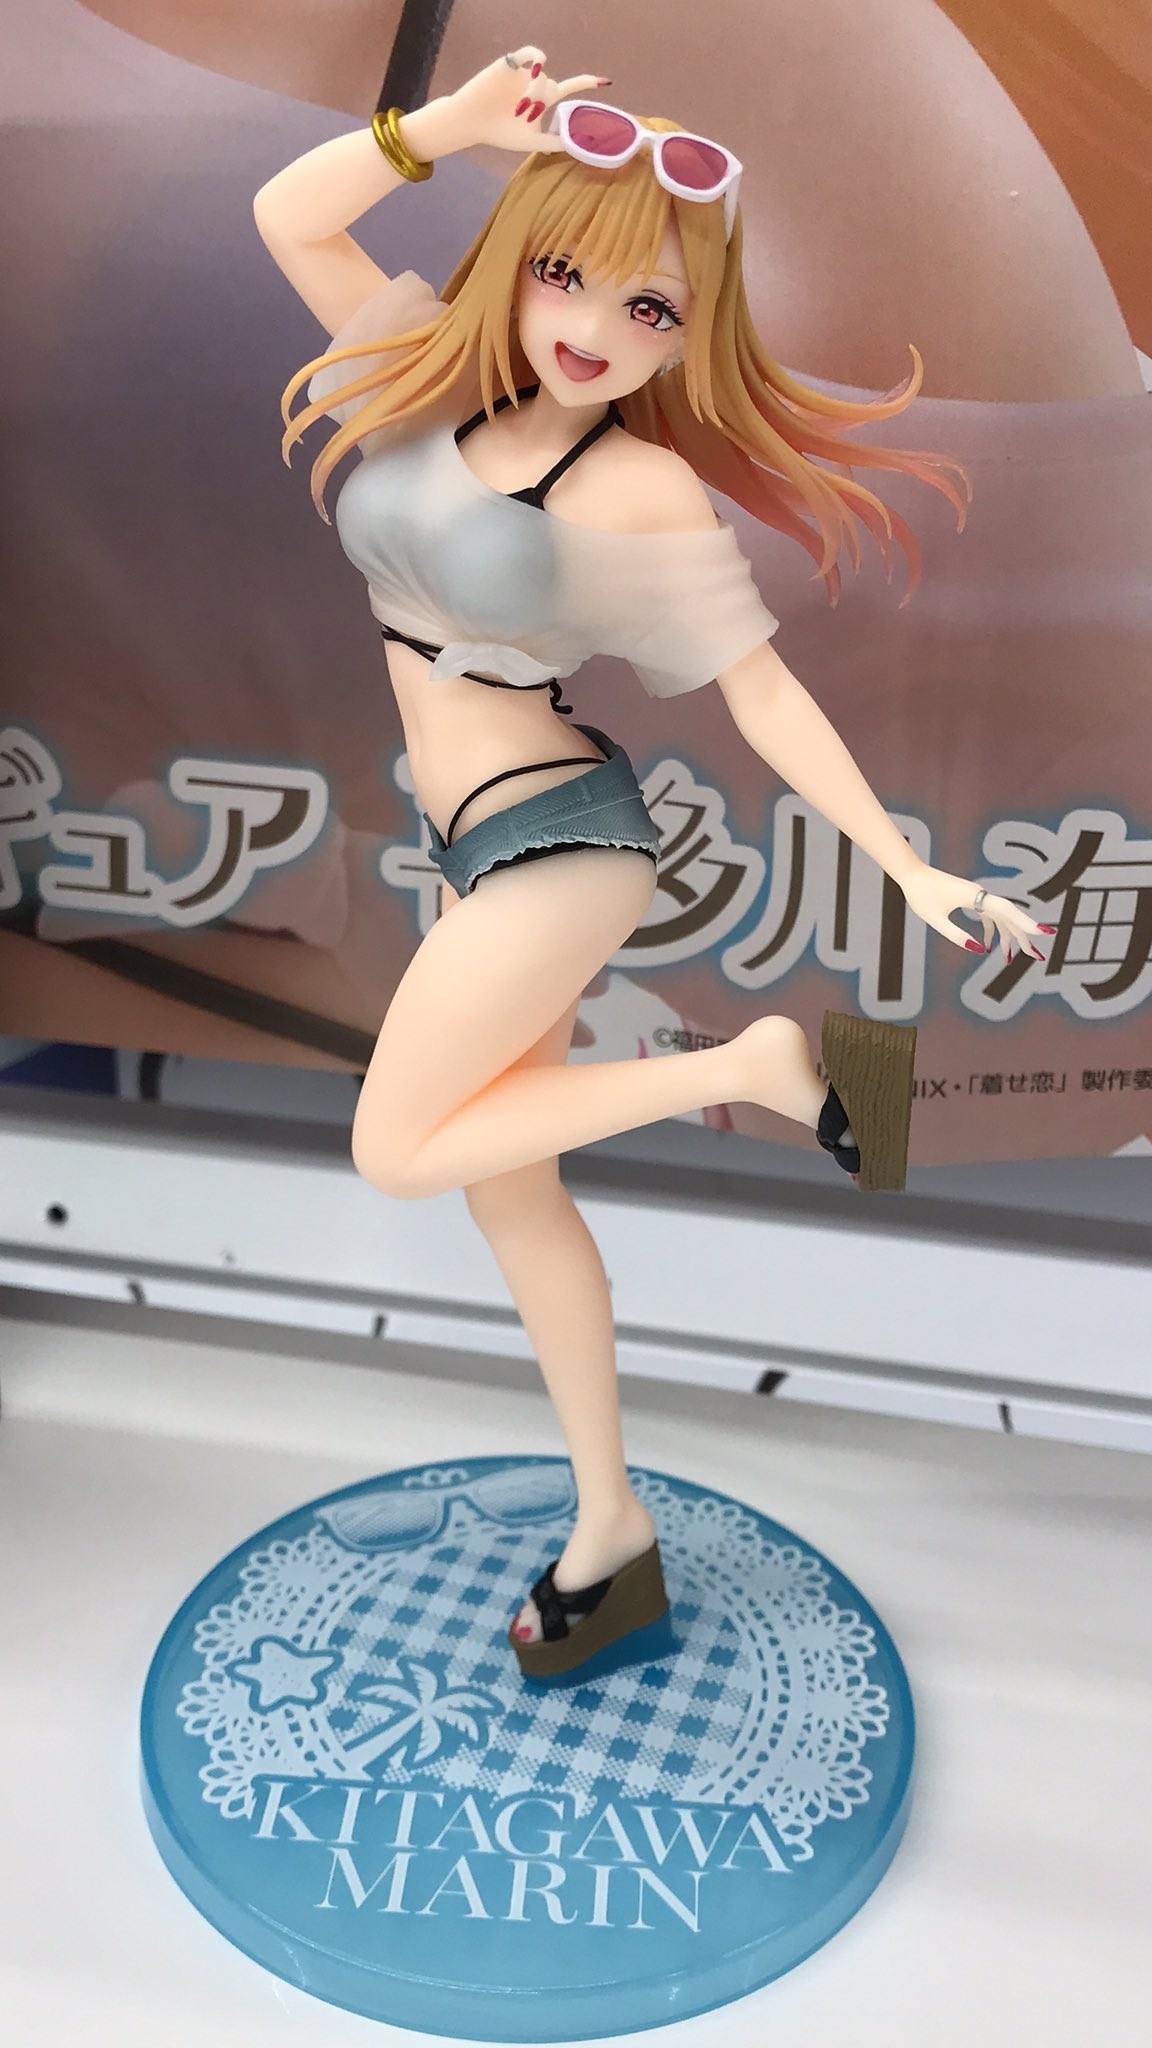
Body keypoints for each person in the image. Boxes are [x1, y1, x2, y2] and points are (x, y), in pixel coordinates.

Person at [253, 46, 1051, 1680]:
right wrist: (449, 128)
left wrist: (909, 875)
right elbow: (289, 214)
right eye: (568, 275)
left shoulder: (636, 486)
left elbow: (764, 691)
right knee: (510, 1189)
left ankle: (756, 1067)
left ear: (685, 339)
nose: (598, 329)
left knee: (399, 1150)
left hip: (564, 842)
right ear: (518, 256)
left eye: (650, 311)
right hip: (480, 846)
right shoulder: (421, 370)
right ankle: (609, 1529)